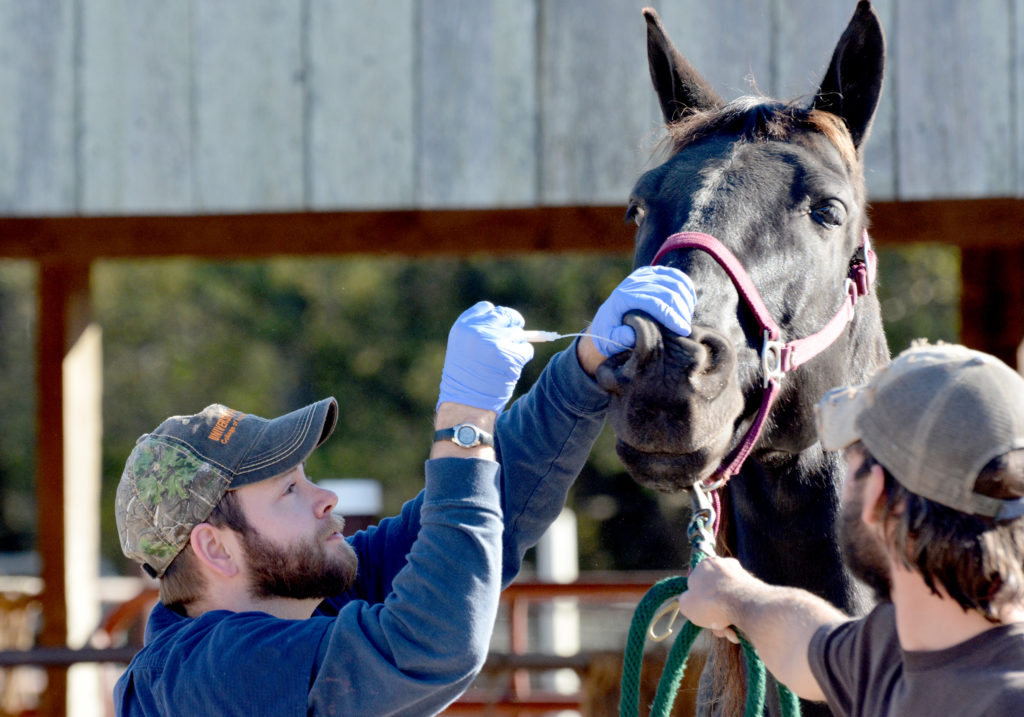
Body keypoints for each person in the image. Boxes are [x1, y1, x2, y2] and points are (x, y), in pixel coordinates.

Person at [112, 265, 696, 716]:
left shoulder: (305, 600)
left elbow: (489, 514)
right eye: (289, 490)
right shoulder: (205, 678)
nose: (326, 499)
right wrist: (463, 422)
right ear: (215, 548)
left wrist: (584, 370)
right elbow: (428, 646)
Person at [676, 341, 1024, 716]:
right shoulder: (893, 652)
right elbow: (802, 640)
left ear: (876, 494)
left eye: (850, 458)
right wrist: (733, 596)